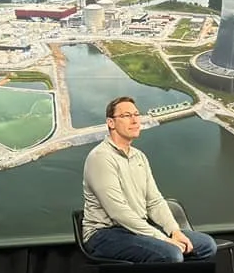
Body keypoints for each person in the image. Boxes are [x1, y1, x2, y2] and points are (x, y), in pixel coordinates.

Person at [80, 94, 216, 263]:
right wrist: (161, 238)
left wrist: (174, 231)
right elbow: (118, 212)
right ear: (111, 123)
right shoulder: (100, 157)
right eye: (127, 116)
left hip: (137, 229)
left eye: (136, 115)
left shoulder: (140, 157)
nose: (135, 120)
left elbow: (155, 201)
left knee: (206, 245)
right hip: (104, 234)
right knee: (171, 254)